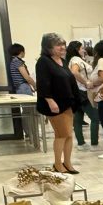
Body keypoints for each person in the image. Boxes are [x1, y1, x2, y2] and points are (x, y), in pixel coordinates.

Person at [34, 32, 81, 174]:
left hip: (67, 103)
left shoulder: (62, 61)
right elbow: (43, 83)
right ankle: (57, 164)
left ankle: (67, 162)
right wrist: (49, 100)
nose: (62, 47)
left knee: (69, 135)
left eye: (63, 44)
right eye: (58, 45)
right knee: (62, 134)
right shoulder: (43, 61)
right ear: (48, 47)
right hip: (55, 104)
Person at [68, 40, 99, 151]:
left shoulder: (72, 59)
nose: (84, 50)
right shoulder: (76, 59)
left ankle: (81, 143)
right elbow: (74, 72)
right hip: (82, 92)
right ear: (77, 49)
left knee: (78, 118)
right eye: (81, 48)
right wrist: (85, 82)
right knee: (95, 117)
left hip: (76, 92)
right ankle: (94, 143)